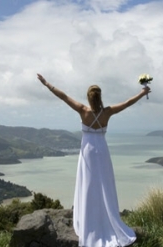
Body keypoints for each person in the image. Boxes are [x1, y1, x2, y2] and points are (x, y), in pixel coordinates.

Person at [37, 73, 150, 247]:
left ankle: (89, 219)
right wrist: (142, 94)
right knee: (104, 183)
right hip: (102, 151)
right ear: (100, 97)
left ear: (89, 98)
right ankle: (107, 218)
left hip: (88, 151)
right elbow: (127, 103)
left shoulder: (83, 110)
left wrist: (46, 84)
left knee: (88, 184)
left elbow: (64, 96)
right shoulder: (108, 112)